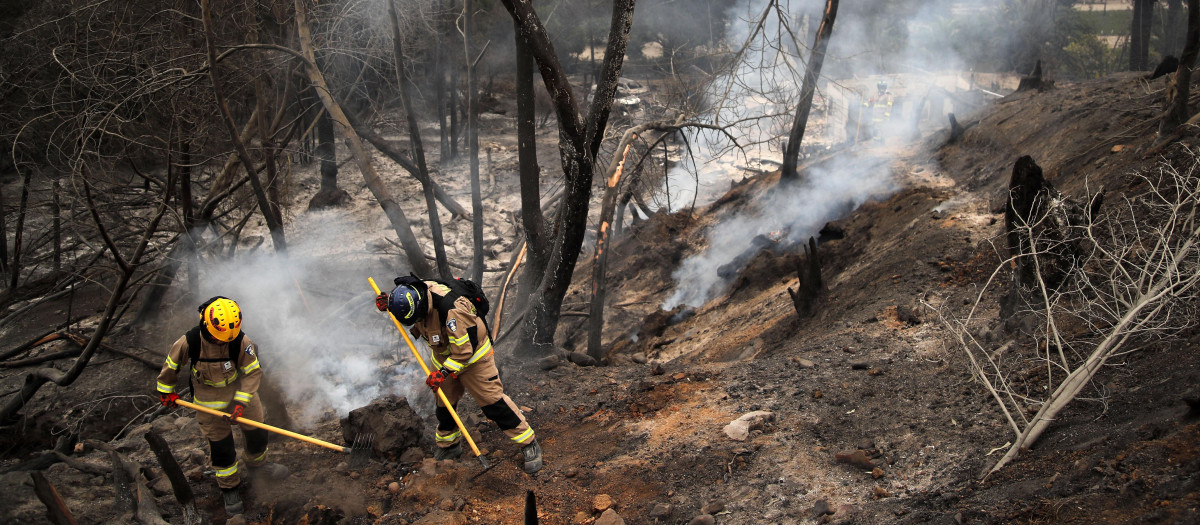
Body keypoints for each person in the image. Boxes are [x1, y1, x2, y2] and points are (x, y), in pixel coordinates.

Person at [375, 277, 543, 474]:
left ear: (421, 307)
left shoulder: (453, 309)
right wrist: (390, 306)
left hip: (473, 359)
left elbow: (464, 351)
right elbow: (409, 312)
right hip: (443, 356)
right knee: (444, 403)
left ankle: (528, 443)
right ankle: (449, 446)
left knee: (493, 403)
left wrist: (443, 373)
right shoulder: (412, 294)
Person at [156, 297, 288, 516]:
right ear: (207, 326)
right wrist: (166, 391)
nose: (222, 343)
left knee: (257, 435)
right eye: (218, 339)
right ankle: (230, 489)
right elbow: (171, 367)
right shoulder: (190, 341)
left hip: (241, 397)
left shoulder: (240, 340)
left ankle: (258, 468)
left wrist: (240, 402)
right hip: (209, 404)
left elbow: (253, 372)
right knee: (222, 449)